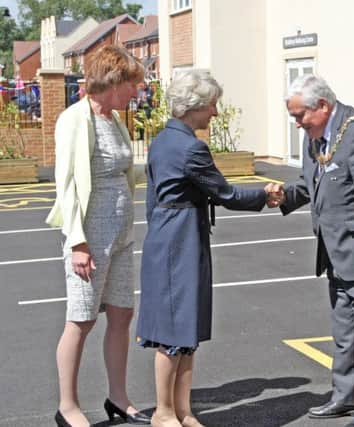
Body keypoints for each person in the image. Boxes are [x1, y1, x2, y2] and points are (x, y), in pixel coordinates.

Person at [136, 70, 270, 427]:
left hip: (168, 236)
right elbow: (225, 194)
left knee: (184, 328)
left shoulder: (163, 140)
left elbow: (152, 200)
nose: (214, 113)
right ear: (194, 107)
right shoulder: (191, 147)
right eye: (212, 105)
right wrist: (269, 194)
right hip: (180, 241)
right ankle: (164, 412)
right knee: (173, 331)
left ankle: (183, 410)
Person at [266, 74, 354, 427]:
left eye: (300, 116)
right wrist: (285, 195)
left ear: (322, 106)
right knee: (344, 331)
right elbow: (311, 185)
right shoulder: (318, 136)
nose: (297, 124)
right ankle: (346, 395)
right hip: (333, 253)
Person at [45, 46, 150, 427]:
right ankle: (67, 406)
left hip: (120, 234)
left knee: (122, 314)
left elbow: (126, 172)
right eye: (134, 85)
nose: (137, 93)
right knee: (82, 319)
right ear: (115, 80)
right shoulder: (76, 118)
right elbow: (67, 184)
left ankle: (119, 398)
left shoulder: (114, 119)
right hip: (89, 236)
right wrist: (77, 242)